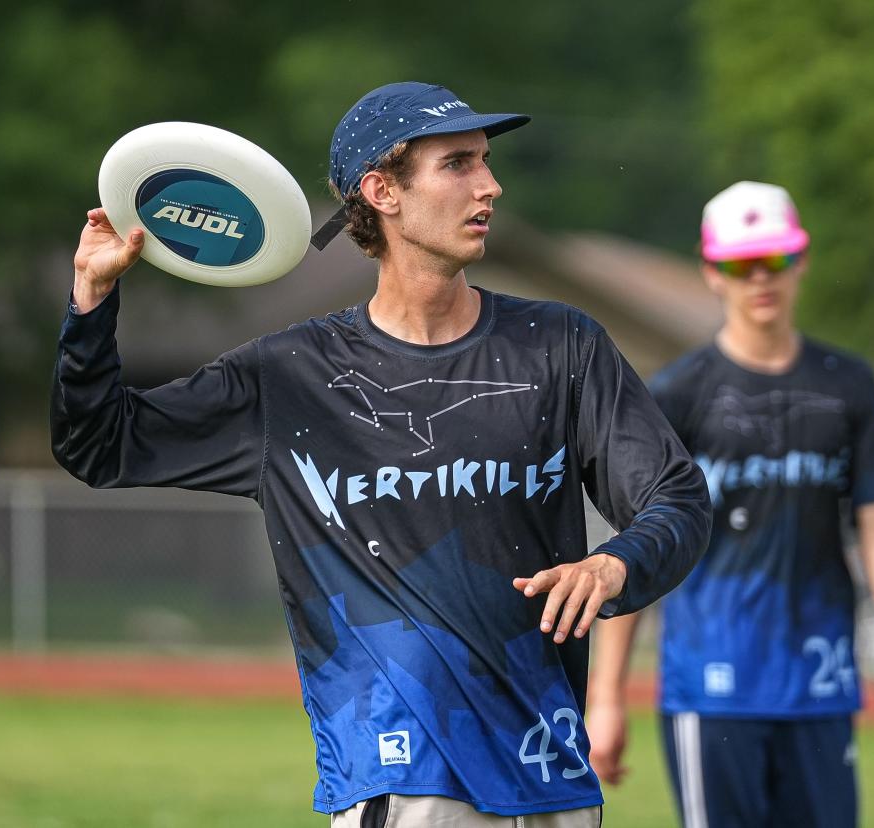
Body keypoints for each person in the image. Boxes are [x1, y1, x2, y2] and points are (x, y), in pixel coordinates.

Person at [51, 82, 711, 827]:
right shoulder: (288, 377)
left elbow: (678, 499)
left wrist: (614, 563)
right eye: (457, 164)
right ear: (381, 191)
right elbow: (99, 446)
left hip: (553, 774)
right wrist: (91, 305)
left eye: (486, 161)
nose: (490, 184)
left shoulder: (562, 347)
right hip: (400, 781)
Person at [586, 181, 874, 827]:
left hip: (820, 680)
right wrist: (606, 697)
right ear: (711, 273)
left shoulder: (849, 385)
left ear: (801, 260)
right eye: (740, 265)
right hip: (711, 683)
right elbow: (636, 545)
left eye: (775, 260)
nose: (760, 279)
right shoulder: (677, 394)